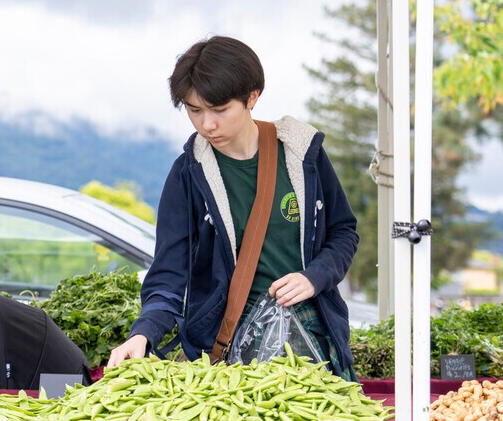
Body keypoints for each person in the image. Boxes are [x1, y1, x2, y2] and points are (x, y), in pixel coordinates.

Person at [107, 35, 359, 381]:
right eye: (194, 110)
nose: (207, 124)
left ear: (252, 97)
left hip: (313, 342)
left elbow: (343, 232)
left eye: (219, 110)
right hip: (228, 353)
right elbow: (169, 274)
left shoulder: (303, 156)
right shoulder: (188, 175)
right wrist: (143, 333)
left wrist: (314, 277)